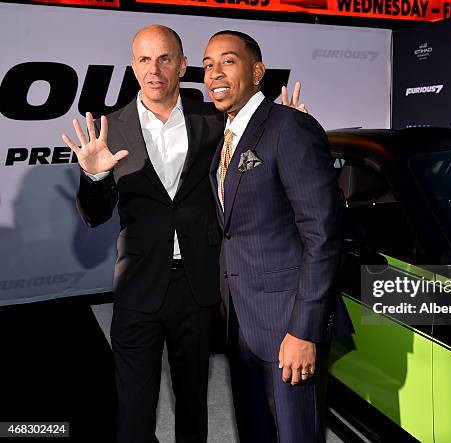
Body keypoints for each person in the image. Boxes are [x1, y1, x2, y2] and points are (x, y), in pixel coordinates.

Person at [62, 25, 305, 443]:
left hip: (197, 284)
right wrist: (95, 175)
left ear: (183, 65)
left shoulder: (212, 120)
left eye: (164, 58)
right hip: (138, 283)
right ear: (133, 67)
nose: (154, 69)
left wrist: (289, 126)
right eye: (144, 59)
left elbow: (260, 167)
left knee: (193, 400)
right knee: (134, 408)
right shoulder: (111, 128)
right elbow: (93, 216)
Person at [204, 30, 352, 442]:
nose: (214, 72)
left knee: (296, 435)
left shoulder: (289, 127)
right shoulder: (226, 140)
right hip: (242, 323)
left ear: (257, 71)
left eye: (228, 61)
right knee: (256, 432)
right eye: (208, 64)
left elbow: (322, 233)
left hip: (288, 327)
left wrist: (304, 331)